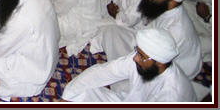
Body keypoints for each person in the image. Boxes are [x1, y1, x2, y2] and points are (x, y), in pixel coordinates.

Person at [99, 0, 202, 81]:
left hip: (166, 71)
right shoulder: (163, 7)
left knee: (124, 73)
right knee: (111, 30)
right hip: (150, 50)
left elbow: (155, 64)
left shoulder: (176, 30)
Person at [62, 28, 196, 102]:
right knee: (81, 93)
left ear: (160, 62)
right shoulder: (141, 59)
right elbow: (105, 72)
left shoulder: (173, 95)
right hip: (128, 100)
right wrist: (67, 97)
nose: (135, 58)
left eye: (141, 56)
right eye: (137, 52)